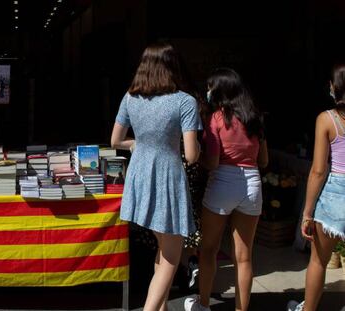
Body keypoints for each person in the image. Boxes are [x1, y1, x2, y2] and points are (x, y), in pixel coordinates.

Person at [111, 42, 202, 311]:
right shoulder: (184, 101)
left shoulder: (130, 98)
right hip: (167, 178)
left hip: (140, 175)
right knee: (172, 256)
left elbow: (115, 140)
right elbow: (192, 154)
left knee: (163, 250)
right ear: (173, 66)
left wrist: (138, 144)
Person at [184, 68, 268, 311]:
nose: (208, 92)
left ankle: (203, 304)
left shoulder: (216, 119)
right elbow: (263, 161)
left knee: (209, 249)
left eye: (210, 88)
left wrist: (196, 158)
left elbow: (212, 162)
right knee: (243, 257)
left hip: (222, 184)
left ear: (220, 91)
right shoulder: (256, 118)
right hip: (251, 184)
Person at [286, 65, 345, 311]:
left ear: (335, 87)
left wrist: (307, 212)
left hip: (333, 196)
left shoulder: (326, 119)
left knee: (318, 261)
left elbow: (318, 170)